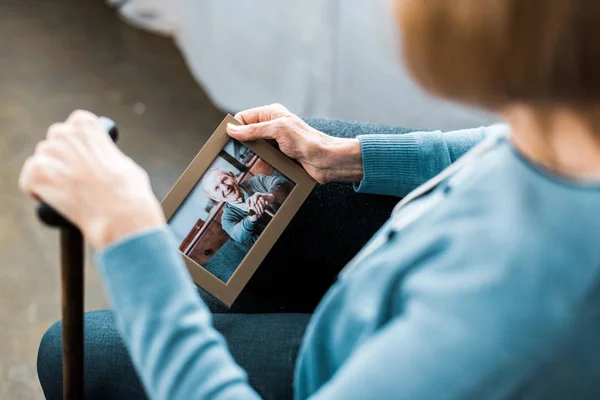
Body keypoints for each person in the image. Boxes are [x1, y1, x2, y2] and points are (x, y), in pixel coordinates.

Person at [24, 0, 600, 399]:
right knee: (292, 177)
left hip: (348, 361)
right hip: (411, 276)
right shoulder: (576, 122)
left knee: (78, 352)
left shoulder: (517, 312)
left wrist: (129, 235)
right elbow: (508, 140)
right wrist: (350, 156)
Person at [202, 168, 291, 244]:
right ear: (215, 197)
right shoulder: (226, 219)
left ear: (233, 176)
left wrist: (270, 197)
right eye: (217, 188)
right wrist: (252, 217)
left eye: (224, 180)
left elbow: (284, 183)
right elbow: (238, 236)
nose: (225, 187)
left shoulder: (257, 181)